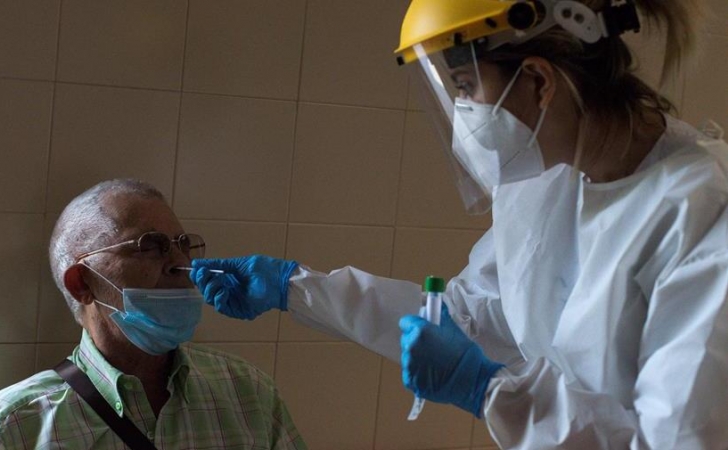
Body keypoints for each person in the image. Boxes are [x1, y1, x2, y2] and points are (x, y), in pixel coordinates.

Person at [188, 0, 728, 448]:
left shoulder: (703, 214)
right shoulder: (552, 183)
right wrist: (299, 290)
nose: (462, 112)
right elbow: (470, 318)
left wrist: (489, 391)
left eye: (466, 87)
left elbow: (675, 441)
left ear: (539, 81)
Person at [0, 179, 306, 450]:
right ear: (83, 283)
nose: (182, 264)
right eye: (151, 246)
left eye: (183, 244)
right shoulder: (18, 425)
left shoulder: (248, 396)